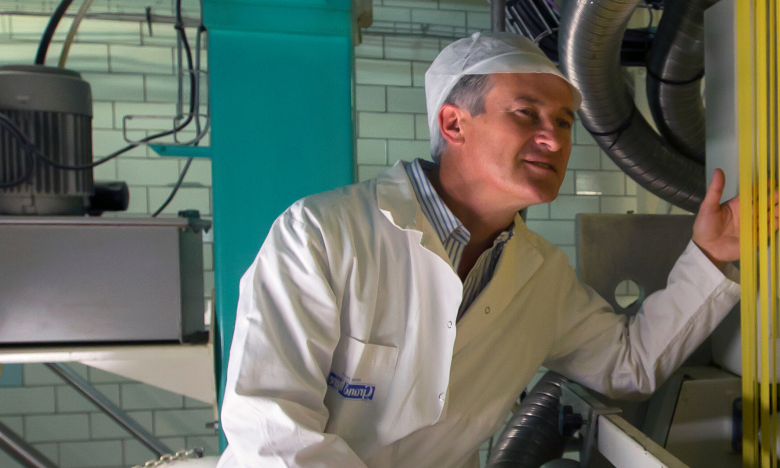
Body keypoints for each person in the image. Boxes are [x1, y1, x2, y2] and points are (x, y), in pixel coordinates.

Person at [217, 31, 742, 467]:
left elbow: (628, 363)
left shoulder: (541, 276)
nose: (555, 140)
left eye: (563, 122)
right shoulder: (323, 236)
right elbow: (271, 436)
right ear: (453, 123)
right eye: (526, 113)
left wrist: (711, 255)